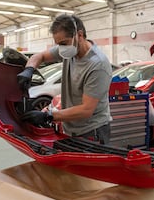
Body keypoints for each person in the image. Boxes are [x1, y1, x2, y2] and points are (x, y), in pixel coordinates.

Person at [17, 14, 113, 144]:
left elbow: (86, 110)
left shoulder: (97, 65)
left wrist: (49, 116)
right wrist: (29, 70)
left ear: (79, 35)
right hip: (71, 128)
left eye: (63, 43)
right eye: (58, 44)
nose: (61, 48)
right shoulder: (70, 48)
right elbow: (40, 56)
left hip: (92, 131)